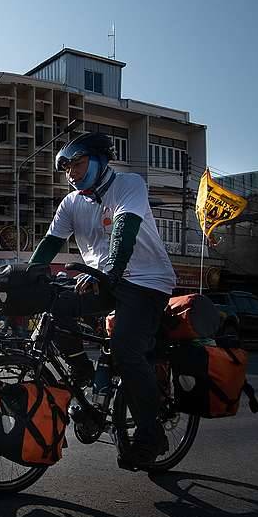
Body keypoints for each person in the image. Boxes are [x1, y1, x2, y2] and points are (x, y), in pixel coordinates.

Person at [28, 132, 176, 470]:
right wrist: (29, 276)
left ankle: (151, 433)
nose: (72, 173)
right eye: (66, 168)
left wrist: (110, 268)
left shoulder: (129, 184)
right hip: (101, 280)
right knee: (54, 306)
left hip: (145, 281)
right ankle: (81, 371)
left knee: (126, 348)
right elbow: (51, 243)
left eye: (78, 163)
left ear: (100, 160)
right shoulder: (72, 202)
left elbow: (124, 228)